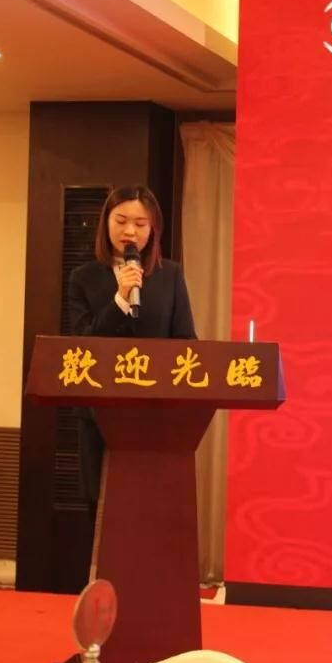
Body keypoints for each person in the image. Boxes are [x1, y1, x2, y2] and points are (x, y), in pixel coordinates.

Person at [67, 185, 196, 522]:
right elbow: (82, 347)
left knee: (152, 513)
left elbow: (186, 342)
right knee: (101, 515)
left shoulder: (170, 275)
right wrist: (120, 300)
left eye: (140, 224)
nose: (129, 231)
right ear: (105, 223)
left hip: (154, 416)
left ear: (153, 229)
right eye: (121, 220)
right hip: (99, 417)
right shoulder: (83, 278)